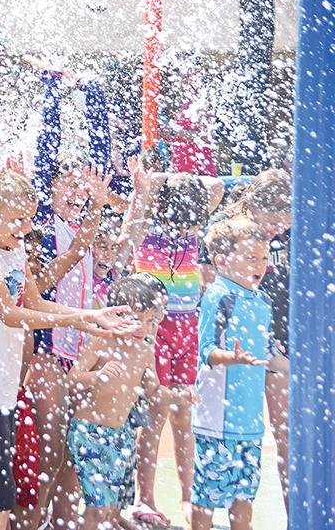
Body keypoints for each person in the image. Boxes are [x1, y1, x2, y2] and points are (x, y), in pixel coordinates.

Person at [0, 170, 137, 530]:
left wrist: (92, 317)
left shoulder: (15, 248)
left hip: (0, 395)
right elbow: (9, 313)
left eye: (30, 218)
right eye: (17, 219)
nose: (25, 227)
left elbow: (37, 303)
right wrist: (77, 320)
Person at [132, 172, 223, 527]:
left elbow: (214, 187)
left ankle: (187, 495)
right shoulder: (147, 231)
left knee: (184, 413)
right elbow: (142, 201)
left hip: (188, 329)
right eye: (181, 222)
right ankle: (146, 498)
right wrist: (154, 184)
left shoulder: (192, 228)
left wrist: (173, 180)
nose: (183, 229)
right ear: (163, 209)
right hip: (157, 328)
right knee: (156, 413)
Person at [198, 168, 292, 511]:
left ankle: (295, 514)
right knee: (229, 436)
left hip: (282, 340)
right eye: (273, 219)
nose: (278, 227)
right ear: (253, 204)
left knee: (287, 437)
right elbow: (211, 291)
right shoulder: (226, 229)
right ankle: (213, 509)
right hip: (238, 349)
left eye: (285, 220)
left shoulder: (293, 231)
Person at [66, 274, 174, 530]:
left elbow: (154, 391)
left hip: (120, 434)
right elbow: (72, 380)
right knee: (97, 508)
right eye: (137, 319)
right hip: (89, 432)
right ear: (117, 314)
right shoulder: (103, 340)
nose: (144, 328)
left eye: (151, 321)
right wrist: (97, 376)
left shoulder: (145, 349)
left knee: (110, 508)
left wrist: (181, 396)